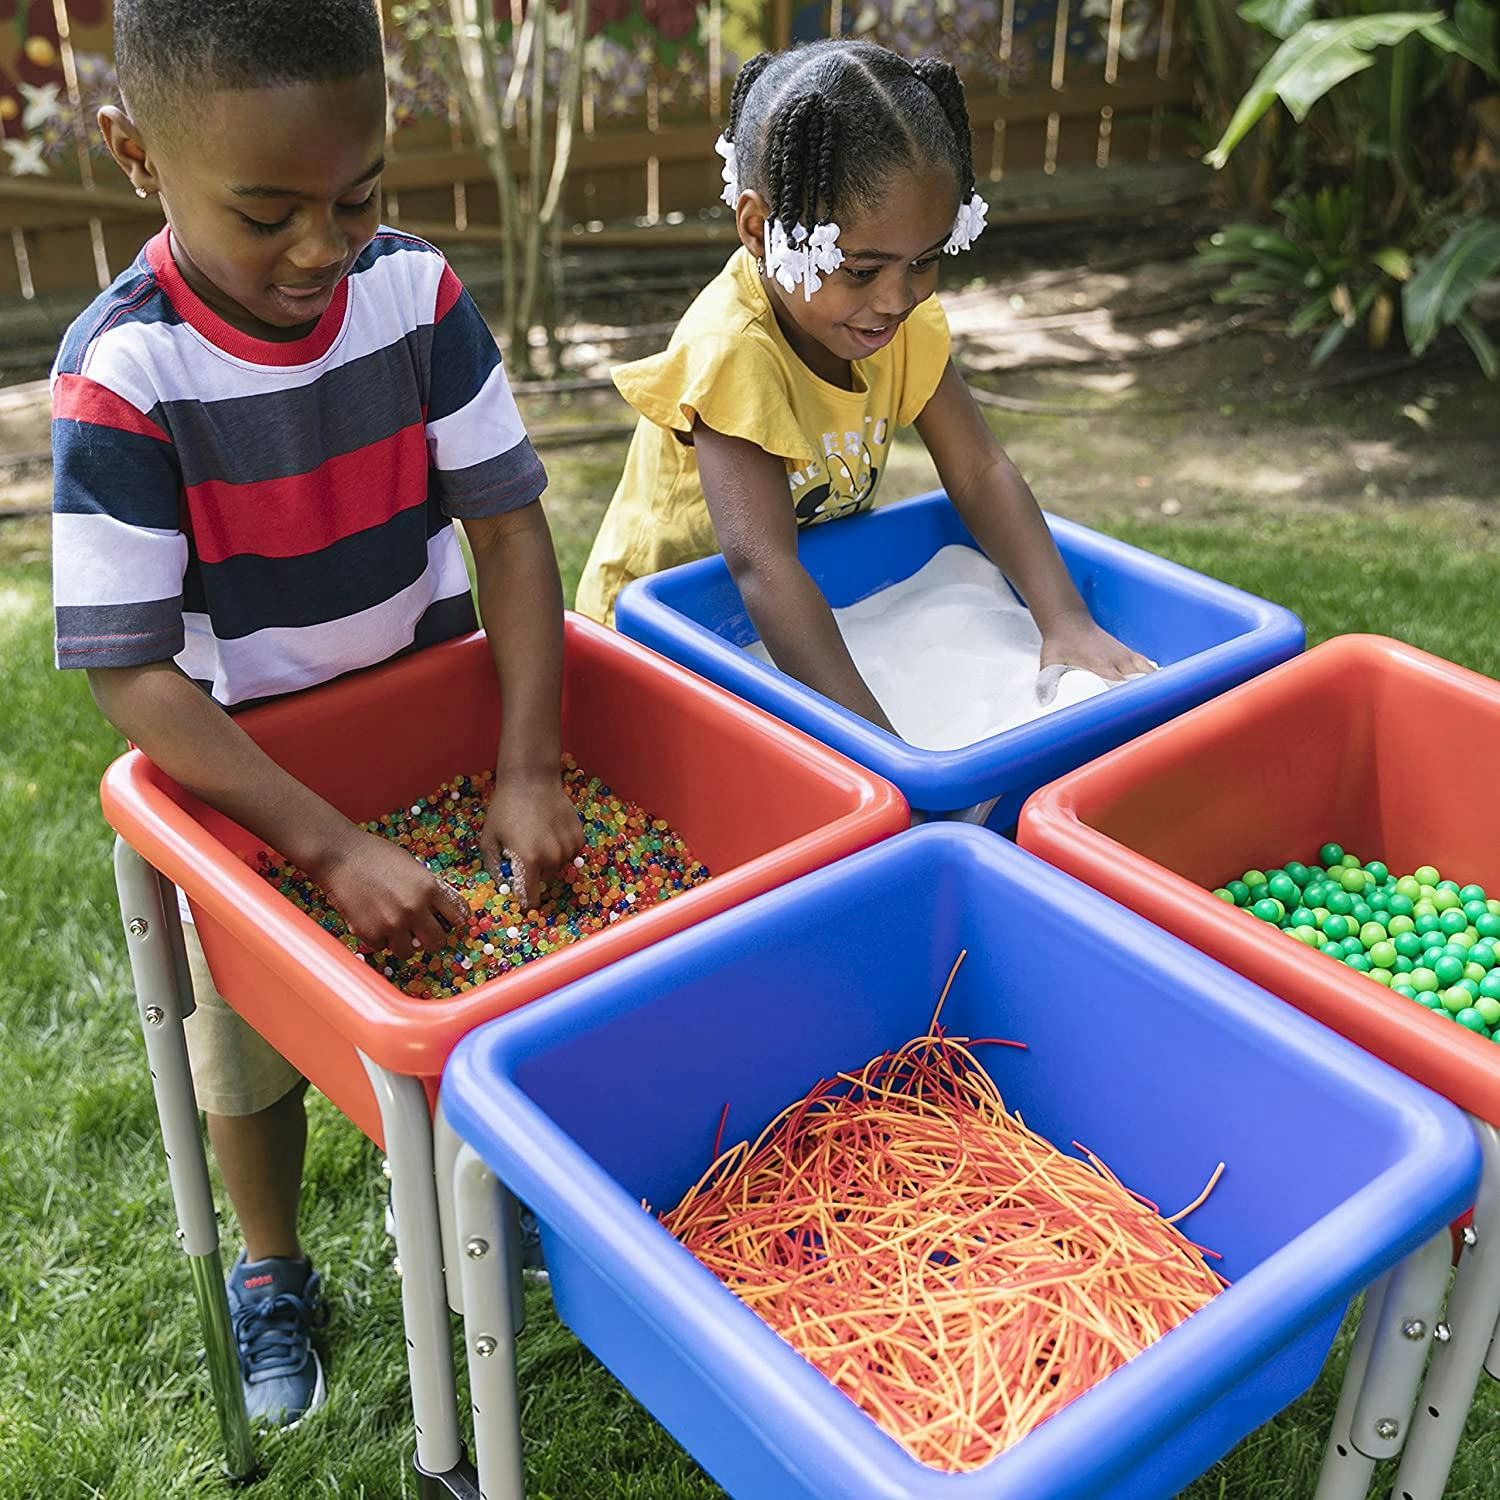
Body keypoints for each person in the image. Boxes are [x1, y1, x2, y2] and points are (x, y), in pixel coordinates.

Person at [51, 0, 582, 1426]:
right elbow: (132, 671)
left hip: (436, 737)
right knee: (248, 1050)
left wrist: (525, 762)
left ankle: (481, 1202)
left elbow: (513, 533)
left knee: (475, 998)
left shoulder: (414, 295)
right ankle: (275, 1268)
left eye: (355, 199)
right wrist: (328, 846)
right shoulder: (127, 376)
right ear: (134, 156)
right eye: (267, 210)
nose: (319, 247)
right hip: (256, 786)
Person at [576, 40, 1151, 733]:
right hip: (658, 635)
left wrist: (1064, 619)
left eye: (925, 261)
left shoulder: (897, 323)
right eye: (860, 270)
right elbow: (761, 568)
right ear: (762, 229)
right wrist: (878, 745)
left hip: (808, 600)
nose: (896, 298)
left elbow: (979, 469)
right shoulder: (734, 351)